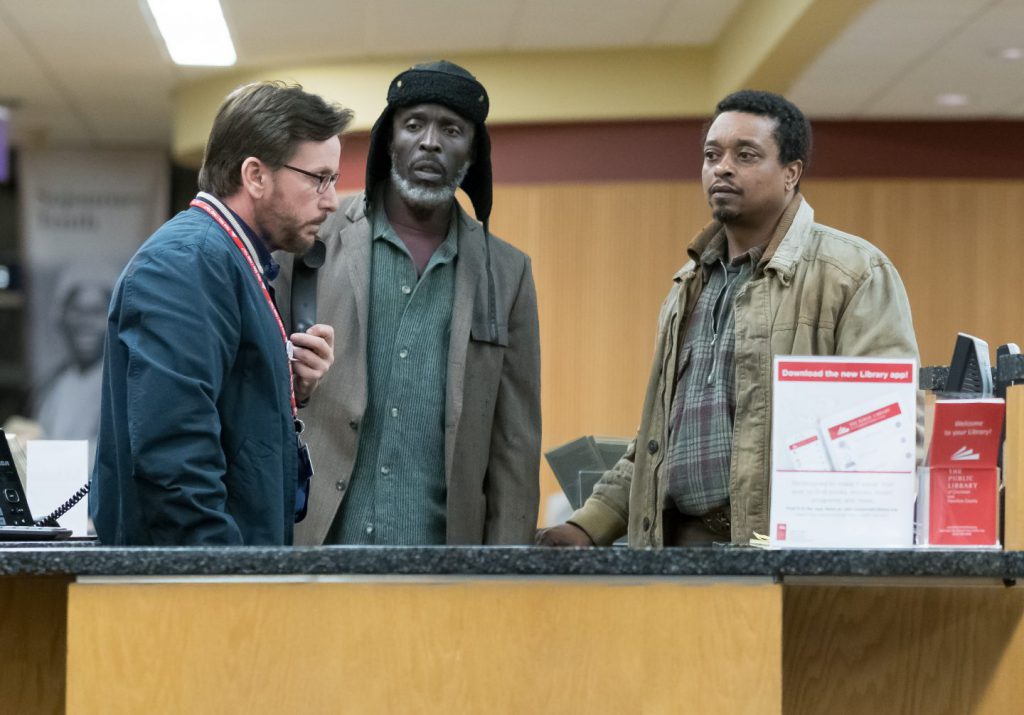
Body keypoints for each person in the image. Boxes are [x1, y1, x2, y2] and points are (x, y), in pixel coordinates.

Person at [537, 90, 920, 548]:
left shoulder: (851, 273)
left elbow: (888, 431)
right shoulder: (688, 285)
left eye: (746, 155)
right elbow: (658, 440)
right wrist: (586, 526)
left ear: (791, 173)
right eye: (711, 155)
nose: (722, 168)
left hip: (785, 555)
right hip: (676, 549)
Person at [275, 60, 541, 545]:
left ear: (473, 151)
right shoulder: (311, 243)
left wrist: (507, 566)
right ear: (388, 139)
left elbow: (515, 443)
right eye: (414, 124)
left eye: (452, 130)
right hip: (314, 545)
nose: (430, 142)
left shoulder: (507, 274)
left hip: (444, 558)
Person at [91, 82, 353, 545]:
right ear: (255, 176)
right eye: (319, 178)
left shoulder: (228, 261)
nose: (332, 200)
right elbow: (174, 460)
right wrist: (225, 574)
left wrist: (285, 388)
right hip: (202, 576)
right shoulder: (187, 263)